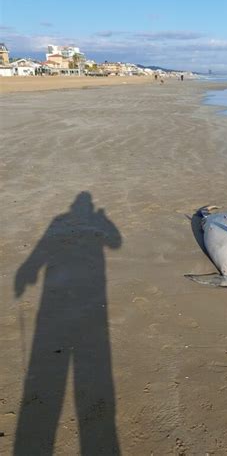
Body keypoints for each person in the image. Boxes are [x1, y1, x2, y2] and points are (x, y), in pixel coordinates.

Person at [14, 192, 122, 455]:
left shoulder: (59, 219)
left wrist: (27, 271)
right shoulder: (61, 220)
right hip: (83, 294)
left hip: (59, 299)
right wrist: (105, 220)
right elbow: (116, 243)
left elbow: (115, 243)